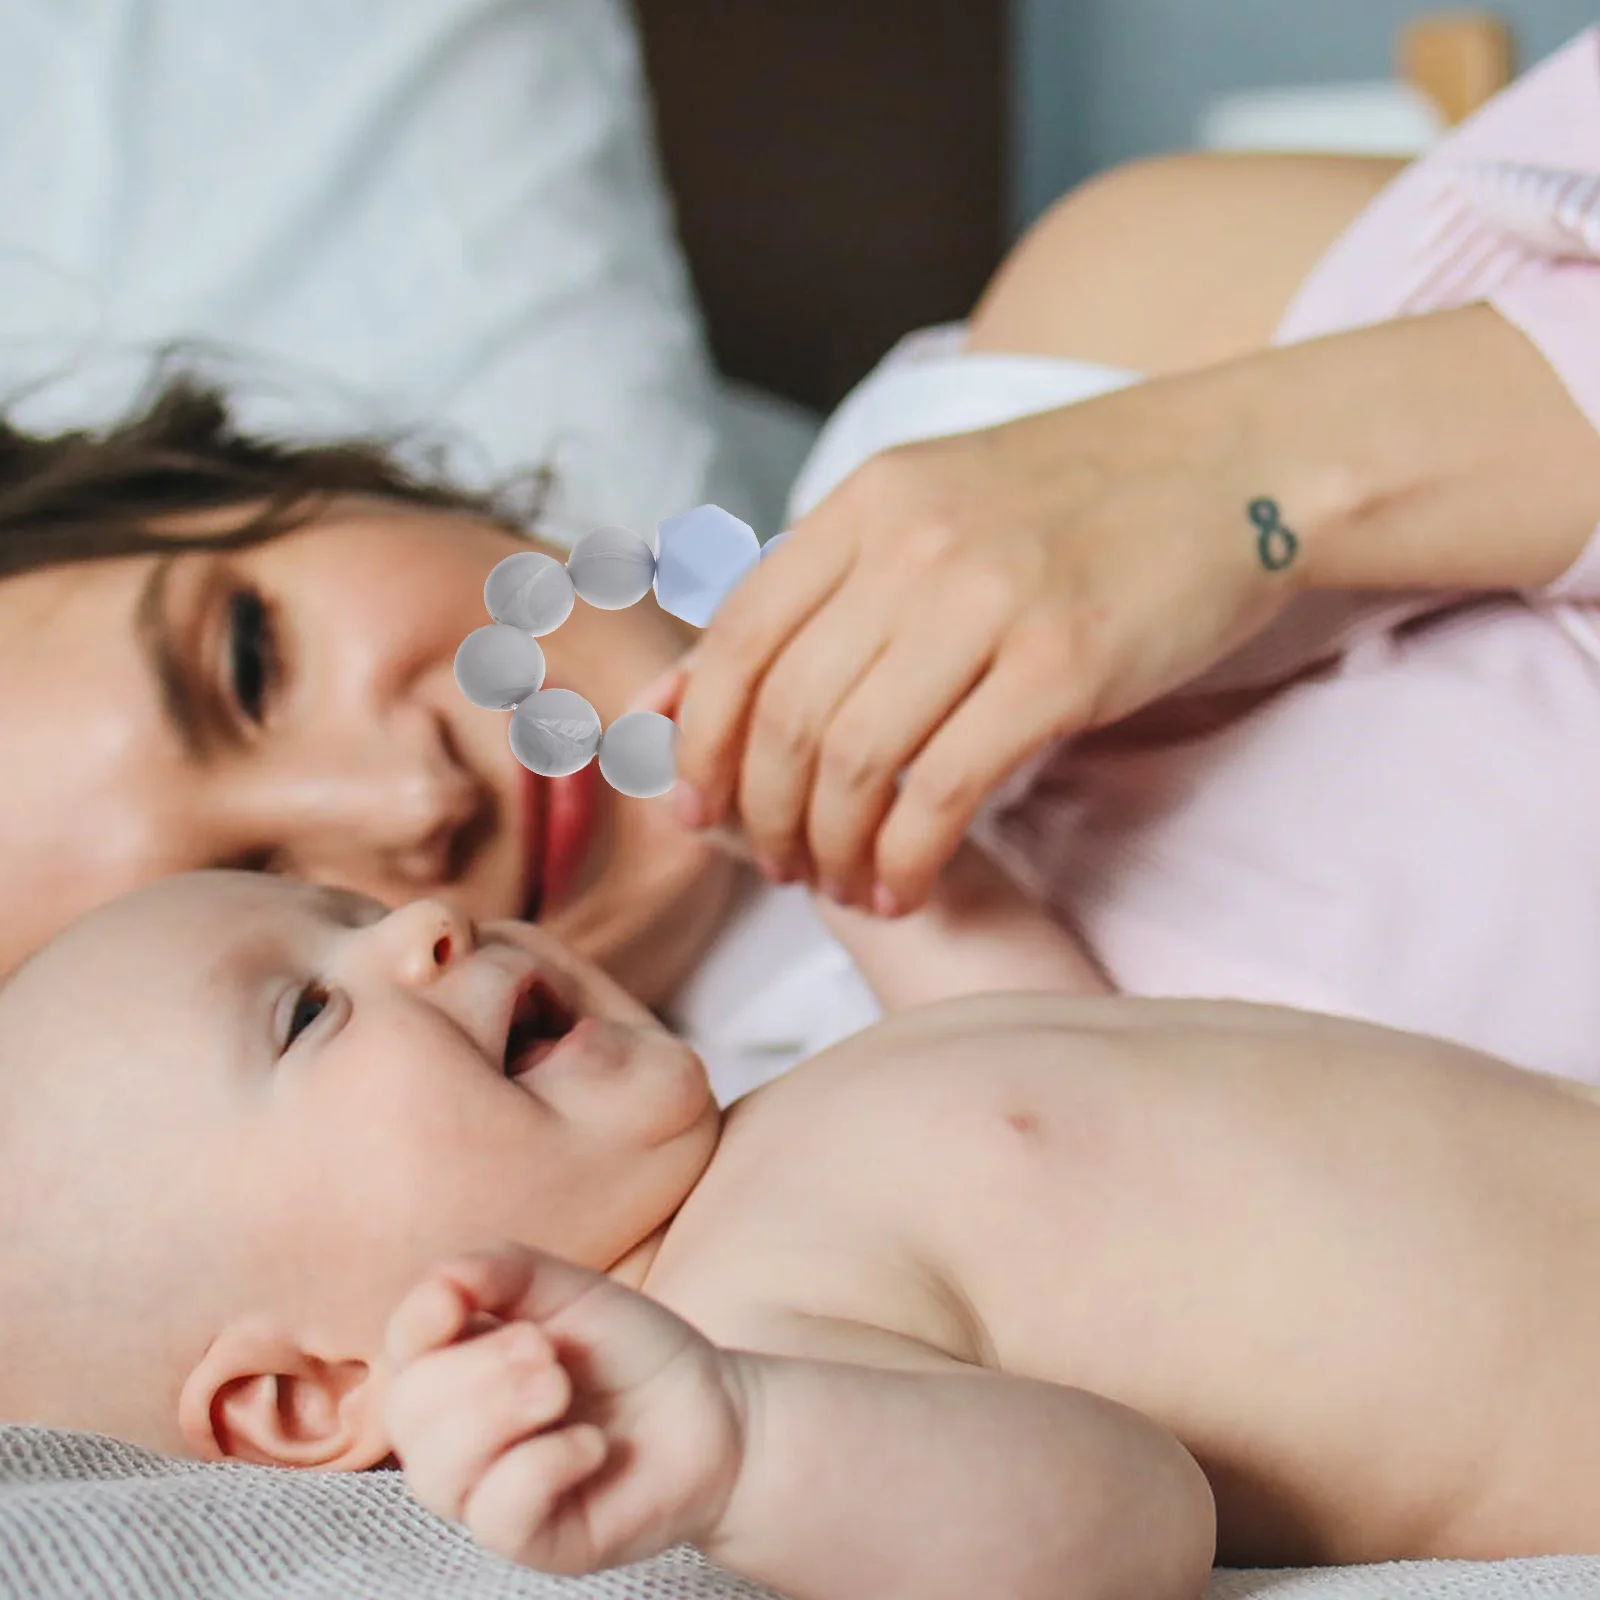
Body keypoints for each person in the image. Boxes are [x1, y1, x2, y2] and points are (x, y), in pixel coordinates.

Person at [3, 33, 1600, 1094]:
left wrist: (1247, 477)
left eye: (250, 664)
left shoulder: (1087, 335)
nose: (413, 811)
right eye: (250, 909)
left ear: (310, 488)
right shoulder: (801, 1285)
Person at [5, 869, 1600, 1595]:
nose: (422, 922)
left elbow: (1054, 1047)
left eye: (348, 913)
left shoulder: (784, 1112)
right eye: (305, 1010)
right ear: (302, 1401)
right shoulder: (737, 1330)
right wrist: (745, 1450)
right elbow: (1124, 1520)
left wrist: (888, 881)